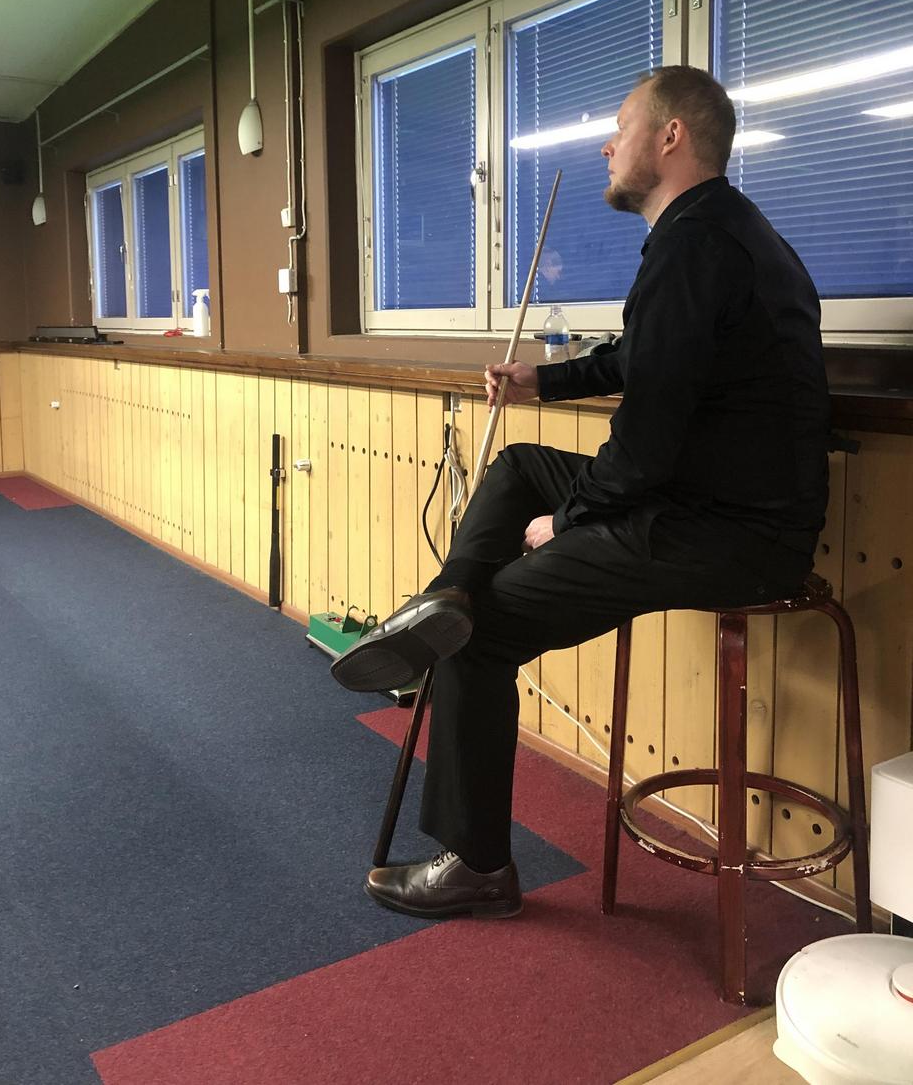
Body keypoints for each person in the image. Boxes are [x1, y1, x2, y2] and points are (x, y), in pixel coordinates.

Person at [332, 66, 830, 920]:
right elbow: (645, 361)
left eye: (622, 125)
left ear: (671, 136)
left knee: (478, 638)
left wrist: (565, 521)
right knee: (519, 462)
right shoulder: (724, 231)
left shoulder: (694, 245)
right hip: (715, 504)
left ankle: (478, 864)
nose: (608, 144)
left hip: (724, 532)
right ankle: (443, 596)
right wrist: (543, 380)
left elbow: (642, 452)